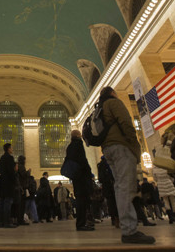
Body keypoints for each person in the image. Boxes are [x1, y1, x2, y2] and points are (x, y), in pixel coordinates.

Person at [99, 86, 155, 244]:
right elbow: (126, 122)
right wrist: (135, 145)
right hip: (121, 147)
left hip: (108, 149)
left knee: (119, 187)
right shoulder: (113, 103)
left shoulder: (100, 108)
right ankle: (129, 230)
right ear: (112, 93)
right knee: (125, 187)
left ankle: (127, 227)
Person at [65, 129, 94, 231]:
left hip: (75, 177)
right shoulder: (78, 144)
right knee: (83, 200)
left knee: (80, 199)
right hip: (82, 177)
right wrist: (89, 173)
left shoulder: (69, 147)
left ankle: (82, 222)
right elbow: (83, 161)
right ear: (78, 135)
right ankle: (82, 223)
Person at [0, 143, 17, 228]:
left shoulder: (2, 158)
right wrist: (15, 180)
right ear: (8, 149)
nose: (12, 149)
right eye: (11, 148)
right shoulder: (9, 158)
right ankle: (7, 222)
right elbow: (11, 172)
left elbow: (1, 171)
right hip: (8, 184)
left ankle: (1, 222)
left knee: (2, 202)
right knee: (7, 203)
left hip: (2, 183)